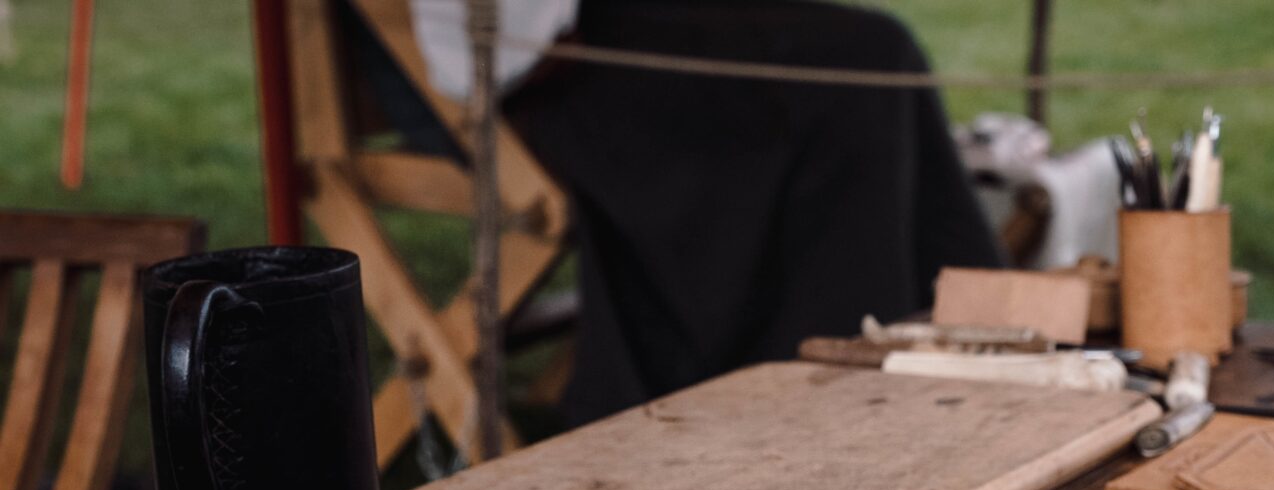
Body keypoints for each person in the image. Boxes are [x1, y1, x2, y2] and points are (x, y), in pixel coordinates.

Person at [413, 0, 1004, 425]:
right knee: (862, 63)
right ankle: (833, 397)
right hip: (555, 64)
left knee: (872, 53)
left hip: (632, 27)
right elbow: (511, 38)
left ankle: (969, 356)